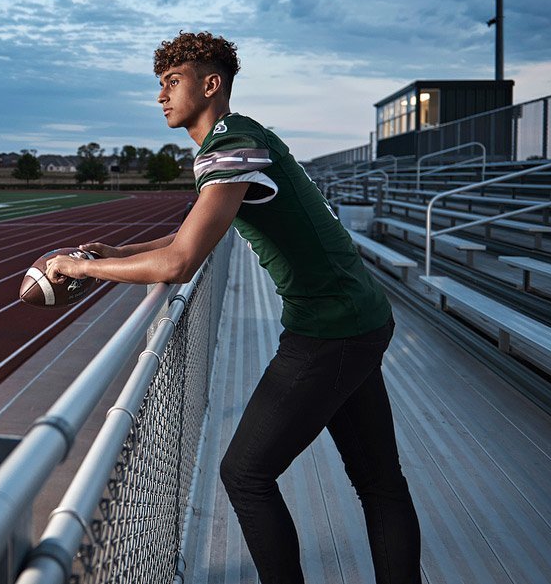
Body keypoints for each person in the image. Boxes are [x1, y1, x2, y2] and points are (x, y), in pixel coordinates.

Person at [45, 31, 420, 583]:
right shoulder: (234, 137)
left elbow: (179, 262)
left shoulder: (231, 145)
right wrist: (118, 252)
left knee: (245, 474)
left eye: (173, 82)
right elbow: (191, 235)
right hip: (355, 316)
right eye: (160, 84)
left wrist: (80, 267)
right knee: (379, 482)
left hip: (330, 328)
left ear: (210, 84)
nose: (161, 96)